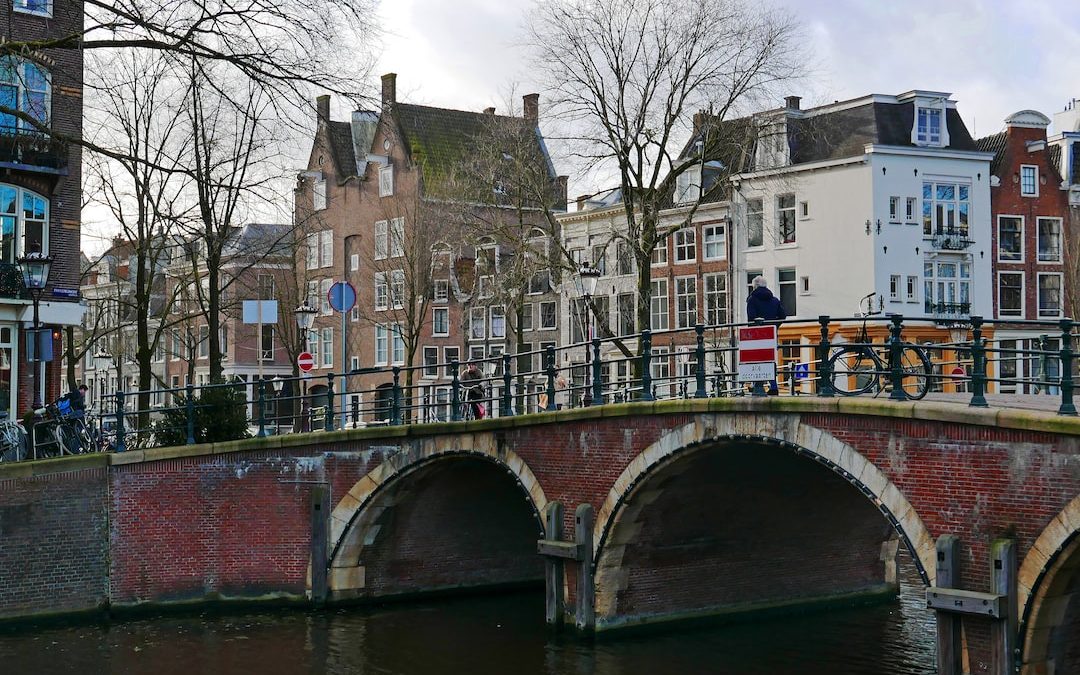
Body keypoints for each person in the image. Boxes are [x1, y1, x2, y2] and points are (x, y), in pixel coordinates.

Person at [745, 276, 786, 395]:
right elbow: (783, 315)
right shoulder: (774, 300)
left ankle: (757, 385)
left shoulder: (752, 299)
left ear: (755, 286)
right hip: (771, 334)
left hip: (757, 335)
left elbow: (751, 317)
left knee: (756, 359)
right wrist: (774, 326)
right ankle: (773, 386)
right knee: (770, 359)